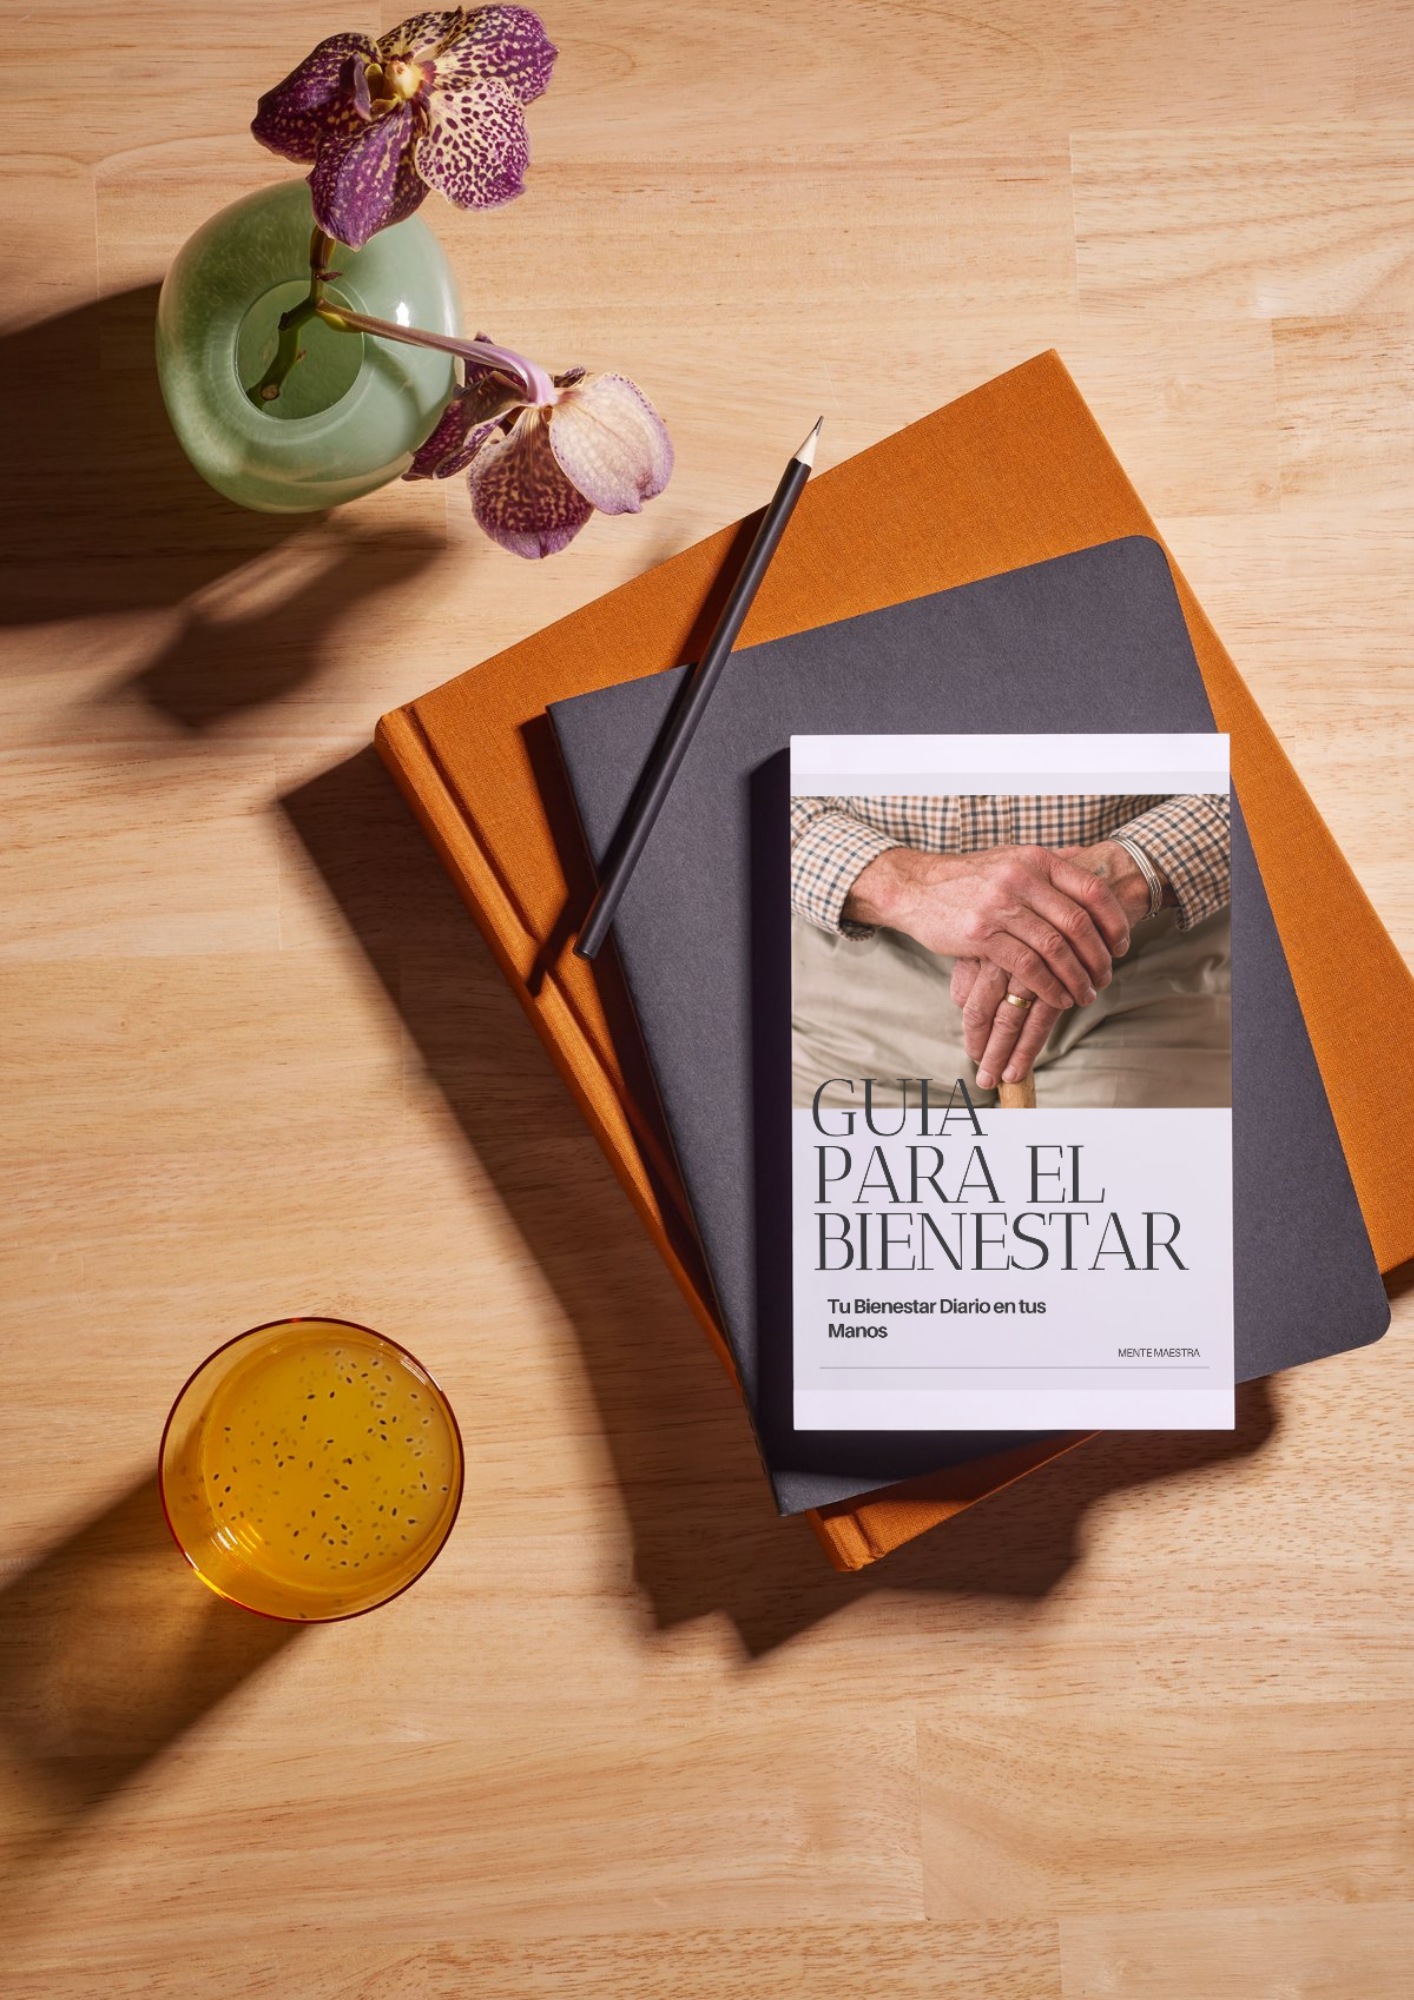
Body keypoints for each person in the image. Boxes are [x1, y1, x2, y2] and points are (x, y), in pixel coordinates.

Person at [790, 793, 1231, 1111]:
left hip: (1133, 974)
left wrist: (1130, 870)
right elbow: (732, 759)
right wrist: (902, 884)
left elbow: (1279, 753)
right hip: (855, 988)